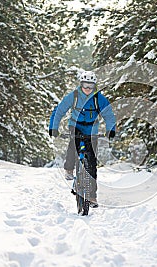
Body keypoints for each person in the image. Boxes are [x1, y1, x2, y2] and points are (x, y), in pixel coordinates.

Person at [49, 71, 116, 207]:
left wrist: (111, 129)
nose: (87, 88)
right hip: (76, 127)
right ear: (81, 84)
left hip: (92, 131)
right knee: (73, 147)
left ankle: (92, 196)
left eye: (90, 85)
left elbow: (108, 114)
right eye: (85, 85)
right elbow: (60, 110)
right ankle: (69, 169)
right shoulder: (73, 96)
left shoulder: (99, 98)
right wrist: (53, 127)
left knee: (91, 164)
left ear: (94, 86)